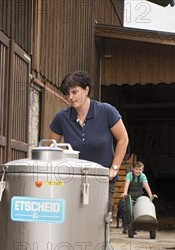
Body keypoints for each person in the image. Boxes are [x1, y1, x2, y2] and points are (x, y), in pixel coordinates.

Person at [49, 70, 129, 213]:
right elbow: (50, 147)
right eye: (67, 94)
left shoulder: (106, 111)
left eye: (74, 92)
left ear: (86, 90)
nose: (70, 97)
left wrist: (114, 169)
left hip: (103, 181)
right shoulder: (62, 118)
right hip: (74, 181)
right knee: (74, 224)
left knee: (99, 226)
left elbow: (123, 139)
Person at [120, 161, 156, 233]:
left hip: (139, 195)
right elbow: (127, 183)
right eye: (136, 169)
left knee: (138, 210)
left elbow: (146, 185)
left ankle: (137, 226)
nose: (138, 171)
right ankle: (126, 227)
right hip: (130, 195)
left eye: (140, 170)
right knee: (128, 210)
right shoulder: (129, 175)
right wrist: (125, 193)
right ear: (133, 169)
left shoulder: (143, 176)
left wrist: (150, 195)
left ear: (142, 170)